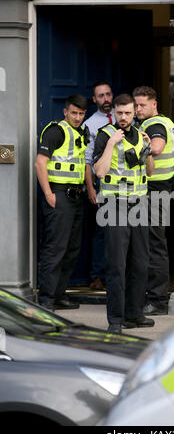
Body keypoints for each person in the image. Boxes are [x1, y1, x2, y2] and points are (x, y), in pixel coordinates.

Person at [93, 93, 155, 334]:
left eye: (128, 112)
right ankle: (116, 320)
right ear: (114, 113)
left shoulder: (140, 136)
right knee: (117, 265)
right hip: (114, 206)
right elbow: (99, 171)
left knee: (140, 262)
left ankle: (134, 314)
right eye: (119, 113)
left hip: (139, 205)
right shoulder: (105, 135)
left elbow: (149, 172)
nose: (124, 117)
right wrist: (111, 145)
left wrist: (148, 151)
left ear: (134, 112)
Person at [35, 94, 89, 311]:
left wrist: (89, 188)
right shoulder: (56, 131)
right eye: (74, 113)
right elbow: (40, 163)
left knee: (71, 249)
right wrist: (48, 194)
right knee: (55, 248)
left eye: (81, 114)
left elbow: (82, 163)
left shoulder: (80, 132)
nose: (77, 117)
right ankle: (46, 299)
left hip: (75, 197)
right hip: (58, 195)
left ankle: (59, 294)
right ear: (65, 112)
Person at [133, 86, 174, 316]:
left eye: (142, 105)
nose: (138, 109)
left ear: (154, 105)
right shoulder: (164, 122)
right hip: (159, 190)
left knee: (153, 245)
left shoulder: (155, 125)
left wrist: (146, 146)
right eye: (136, 105)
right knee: (152, 243)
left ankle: (158, 301)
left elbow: (157, 147)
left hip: (154, 191)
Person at [84, 81, 115, 291]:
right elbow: (87, 160)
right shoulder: (90, 124)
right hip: (102, 184)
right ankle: (97, 276)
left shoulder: (124, 115)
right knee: (101, 232)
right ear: (94, 99)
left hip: (127, 185)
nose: (106, 99)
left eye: (108, 94)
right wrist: (91, 188)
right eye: (101, 96)